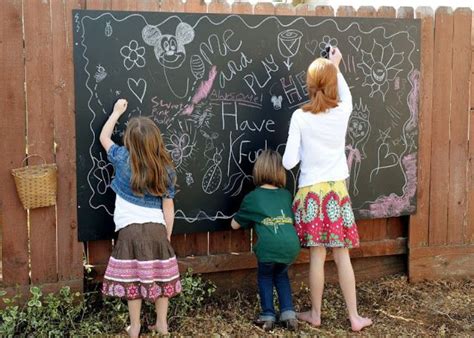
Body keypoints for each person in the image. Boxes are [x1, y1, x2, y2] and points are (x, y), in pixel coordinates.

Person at [282, 48, 373, 332]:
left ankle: (316, 313)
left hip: (311, 193)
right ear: (332, 83)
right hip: (336, 193)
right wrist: (336, 66)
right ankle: (355, 317)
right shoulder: (342, 111)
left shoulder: (300, 116)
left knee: (317, 256)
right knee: (342, 254)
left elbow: (288, 161)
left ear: (309, 86)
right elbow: (346, 95)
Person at [99, 99, 181, 337]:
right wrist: (167, 234)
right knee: (162, 279)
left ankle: (135, 326)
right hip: (157, 230)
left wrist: (116, 113)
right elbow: (169, 208)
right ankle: (162, 324)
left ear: (129, 141)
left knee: (132, 283)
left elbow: (104, 137)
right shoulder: (165, 169)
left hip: (129, 231)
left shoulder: (123, 157)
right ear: (156, 140)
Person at [231, 149, 301, 331]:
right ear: (280, 172)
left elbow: (235, 225)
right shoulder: (286, 195)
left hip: (269, 247)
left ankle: (268, 315)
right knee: (281, 276)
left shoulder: (253, 197)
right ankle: (288, 313)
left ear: (258, 170)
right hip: (291, 246)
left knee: (265, 276)